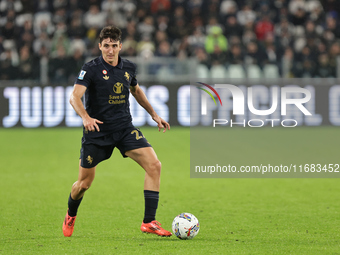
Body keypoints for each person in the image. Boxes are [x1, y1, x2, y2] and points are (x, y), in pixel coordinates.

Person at [62, 26, 172, 237]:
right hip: (97, 133)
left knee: (154, 165)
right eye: (106, 46)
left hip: (124, 129)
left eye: (114, 46)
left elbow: (135, 89)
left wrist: (154, 114)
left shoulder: (128, 67)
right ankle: (71, 213)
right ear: (100, 46)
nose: (110, 50)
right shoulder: (90, 68)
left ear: (120, 46)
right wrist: (85, 118)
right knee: (83, 185)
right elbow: (74, 97)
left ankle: (149, 222)